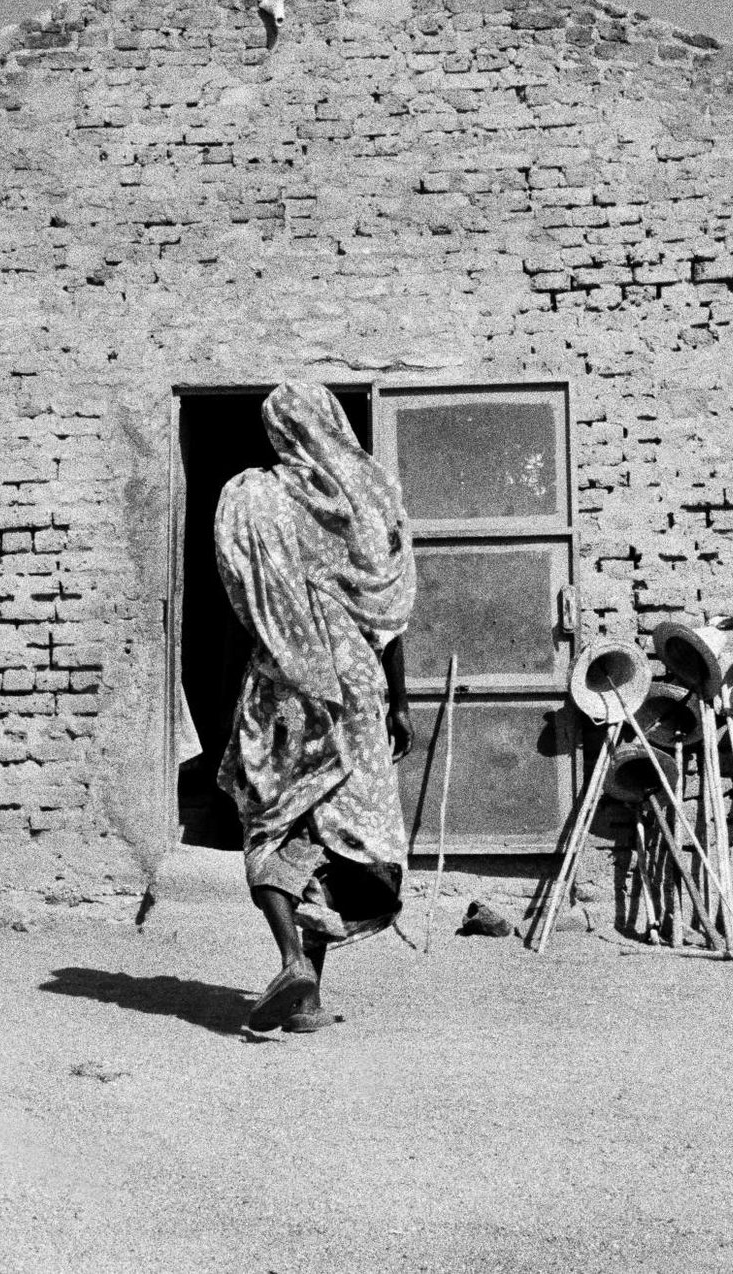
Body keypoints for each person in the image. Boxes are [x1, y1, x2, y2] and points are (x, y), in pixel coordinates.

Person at [214, 382, 416, 1033]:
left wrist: (227, 694)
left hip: (292, 684)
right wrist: (399, 701)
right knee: (331, 836)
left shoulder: (261, 499)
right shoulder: (367, 499)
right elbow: (390, 618)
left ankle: (294, 962)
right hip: (360, 683)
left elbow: (245, 609)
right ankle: (307, 1003)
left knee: (271, 822)